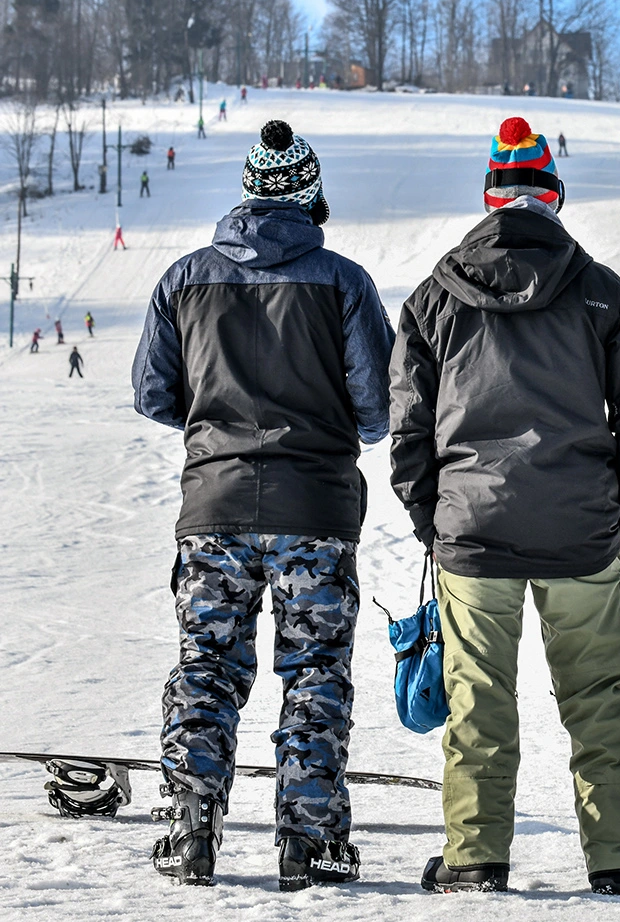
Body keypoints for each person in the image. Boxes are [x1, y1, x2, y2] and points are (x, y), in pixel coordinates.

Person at [389, 116, 620, 897]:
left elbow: (408, 427)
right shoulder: (599, 291)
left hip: (472, 533)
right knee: (599, 699)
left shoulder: (435, 297)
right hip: (581, 531)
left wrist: (432, 521)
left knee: (478, 700)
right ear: (555, 194)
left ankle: (476, 859)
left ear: (490, 197)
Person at [133, 119, 394, 891]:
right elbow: (378, 409)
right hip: (315, 510)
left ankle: (189, 830)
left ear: (247, 193)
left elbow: (153, 393)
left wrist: (217, 427)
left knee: (206, 666)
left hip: (213, 510)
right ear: (310, 197)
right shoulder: (343, 283)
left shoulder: (184, 280)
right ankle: (309, 842)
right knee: (315, 671)